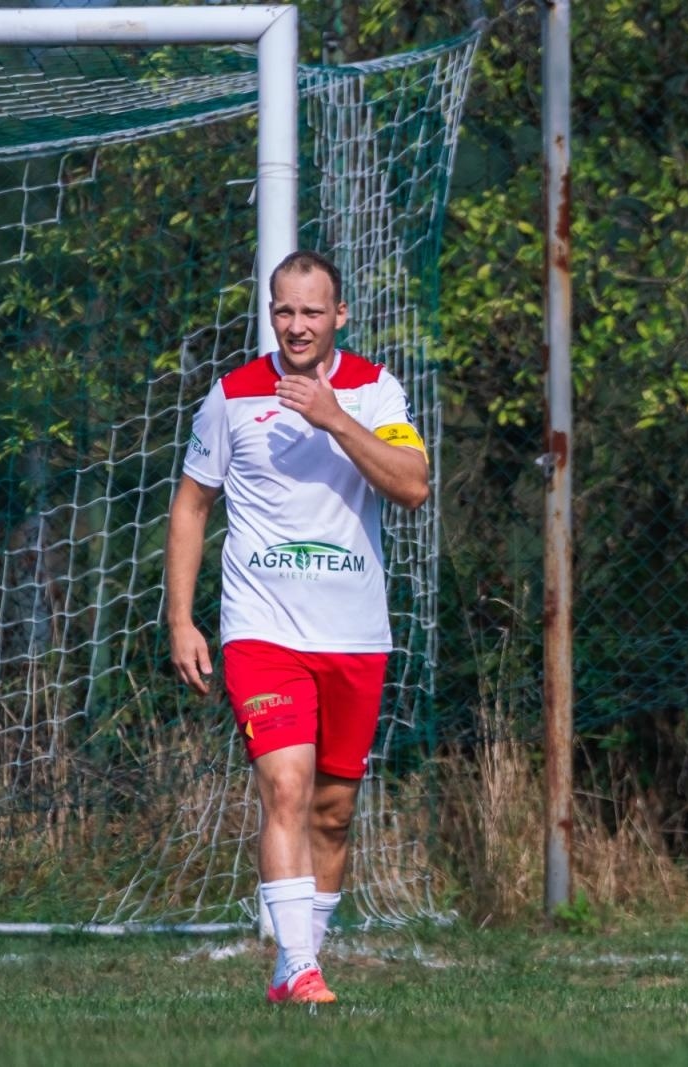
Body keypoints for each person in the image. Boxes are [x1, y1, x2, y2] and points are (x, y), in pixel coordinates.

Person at [165, 249, 430, 1005]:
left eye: (313, 311)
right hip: (262, 630)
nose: (298, 325)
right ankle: (300, 966)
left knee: (333, 813)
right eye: (285, 310)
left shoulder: (375, 389)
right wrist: (181, 618)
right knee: (286, 785)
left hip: (354, 633)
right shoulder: (232, 396)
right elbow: (191, 505)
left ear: (339, 315)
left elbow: (413, 486)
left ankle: (294, 970)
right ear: (271, 314)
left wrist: (334, 417)